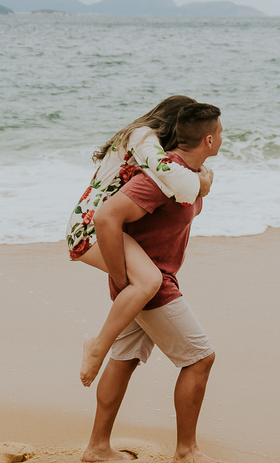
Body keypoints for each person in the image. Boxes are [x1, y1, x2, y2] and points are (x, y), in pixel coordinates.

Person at [81, 102, 230, 463]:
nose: (224, 137)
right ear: (210, 139)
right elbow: (107, 217)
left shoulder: (185, 174)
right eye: (222, 132)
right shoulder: (159, 177)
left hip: (151, 278)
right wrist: (123, 278)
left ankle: (98, 447)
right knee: (199, 358)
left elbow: (194, 193)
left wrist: (203, 180)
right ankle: (187, 452)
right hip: (152, 284)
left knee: (124, 358)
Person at [68, 95, 213, 387]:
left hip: (100, 225)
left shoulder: (141, 140)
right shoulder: (143, 137)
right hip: (90, 228)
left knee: (142, 292)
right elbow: (173, 176)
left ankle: (99, 432)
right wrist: (203, 182)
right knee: (147, 283)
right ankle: (96, 347)